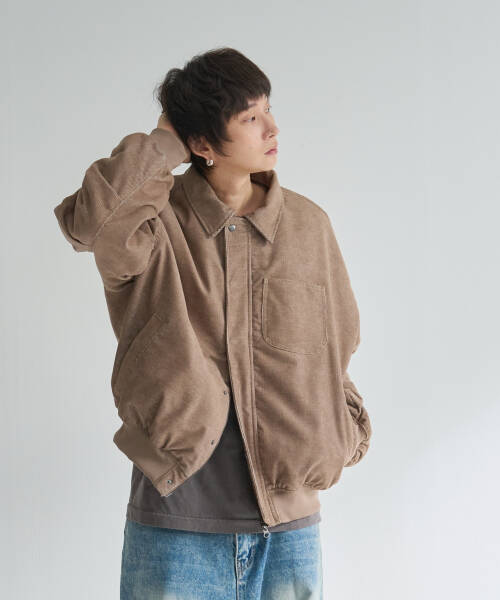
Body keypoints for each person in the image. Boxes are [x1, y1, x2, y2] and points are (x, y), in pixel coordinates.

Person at [53, 46, 372, 599]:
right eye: (250, 117)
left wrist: (340, 434)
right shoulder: (152, 223)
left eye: (269, 108)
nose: (272, 127)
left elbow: (337, 346)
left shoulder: (307, 225)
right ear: (201, 144)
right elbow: (91, 226)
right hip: (177, 522)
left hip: (290, 528)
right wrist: (163, 144)